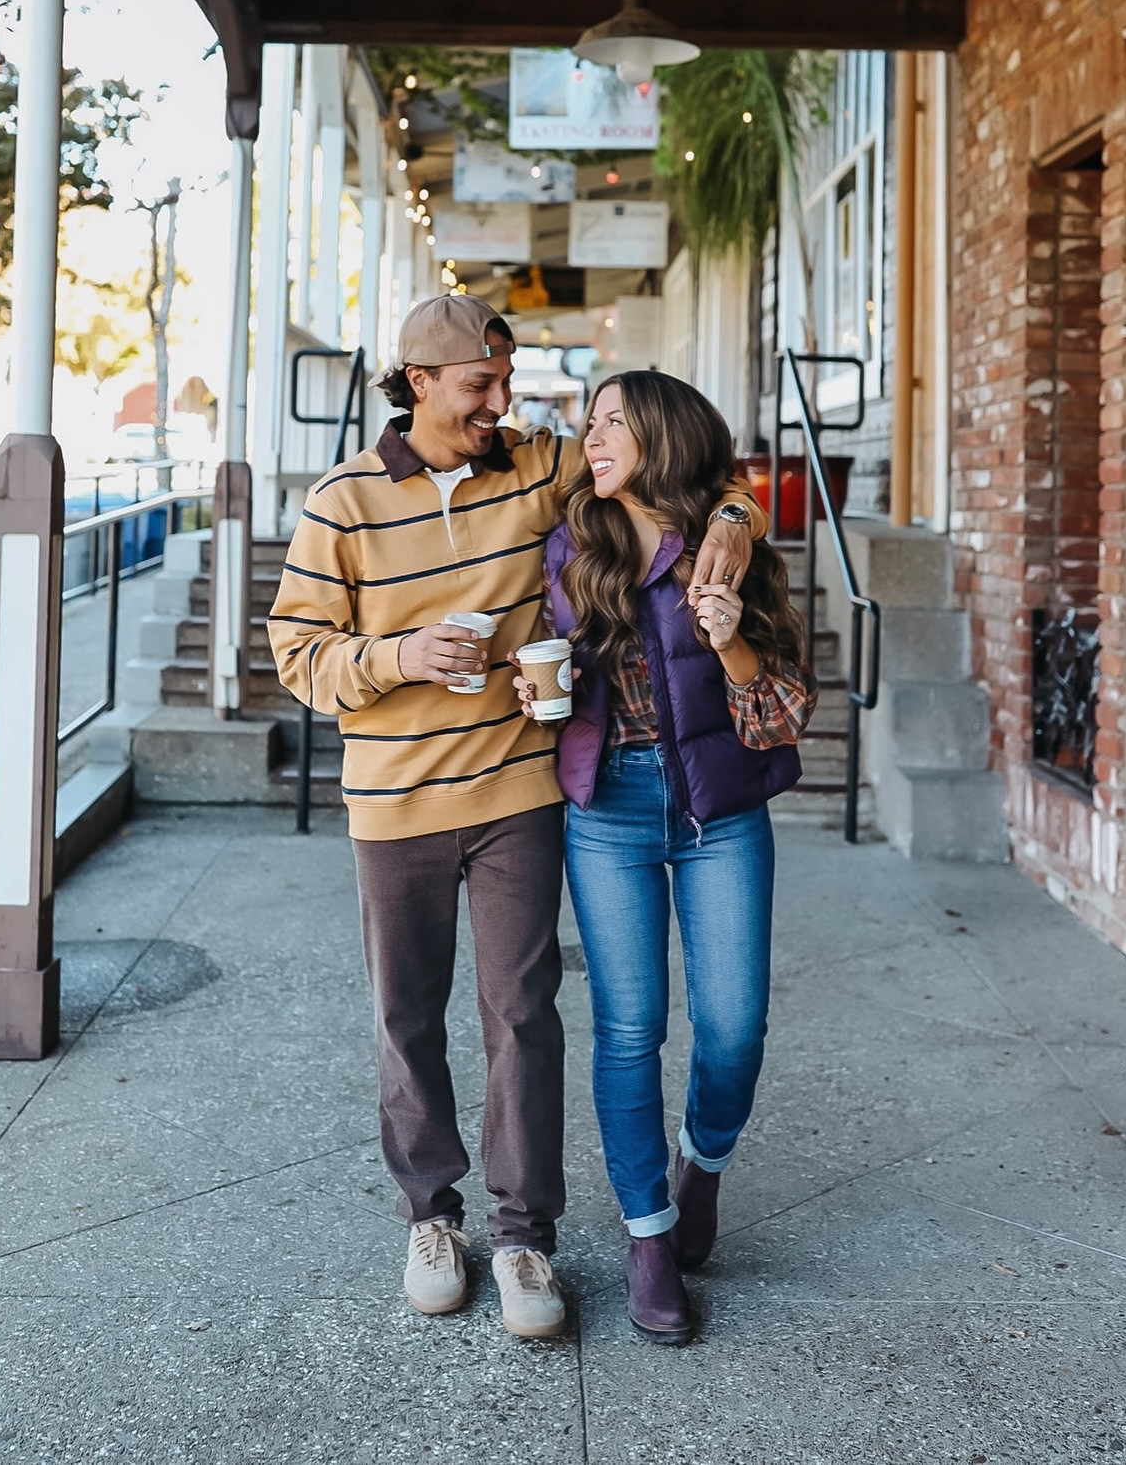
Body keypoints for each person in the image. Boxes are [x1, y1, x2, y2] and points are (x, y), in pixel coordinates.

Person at [269, 295, 762, 1340]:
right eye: (478, 384)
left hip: (518, 793)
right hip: (394, 798)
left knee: (522, 1014)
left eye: (507, 379)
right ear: (415, 380)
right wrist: (397, 657)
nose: (503, 401)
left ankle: (521, 1231)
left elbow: (683, 463)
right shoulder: (340, 503)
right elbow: (297, 652)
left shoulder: (539, 464)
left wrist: (731, 515)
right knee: (406, 1017)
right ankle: (430, 1215)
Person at [515, 369, 818, 1347]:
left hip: (718, 808)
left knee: (732, 1027)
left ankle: (703, 1160)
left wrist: (729, 641)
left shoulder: (732, 552)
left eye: (611, 423)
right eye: (589, 420)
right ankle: (647, 1233)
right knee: (627, 1029)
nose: (590, 437)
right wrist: (537, 698)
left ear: (663, 435)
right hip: (608, 807)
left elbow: (783, 713)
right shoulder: (572, 541)